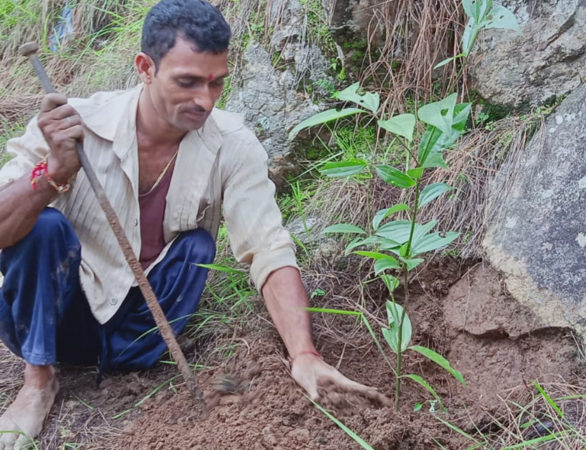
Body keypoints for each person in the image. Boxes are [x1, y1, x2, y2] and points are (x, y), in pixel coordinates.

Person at [0, 0, 383, 446]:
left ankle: (124, 361)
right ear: (145, 67)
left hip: (139, 336)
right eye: (187, 82)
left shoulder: (232, 145)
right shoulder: (74, 127)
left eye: (216, 83)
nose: (205, 99)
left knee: (198, 246)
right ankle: (39, 382)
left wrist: (304, 354)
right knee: (44, 227)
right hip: (54, 317)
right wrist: (52, 174)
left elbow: (268, 248)